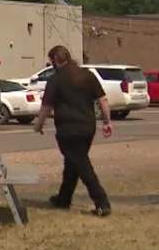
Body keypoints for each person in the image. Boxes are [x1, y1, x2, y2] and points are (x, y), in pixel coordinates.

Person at [33, 45, 113, 217]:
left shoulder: (56, 79)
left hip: (68, 129)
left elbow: (46, 107)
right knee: (73, 163)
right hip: (87, 128)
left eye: (51, 61)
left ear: (55, 60)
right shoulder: (87, 75)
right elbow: (103, 100)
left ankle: (102, 203)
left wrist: (39, 125)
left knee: (82, 165)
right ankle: (63, 199)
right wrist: (107, 122)